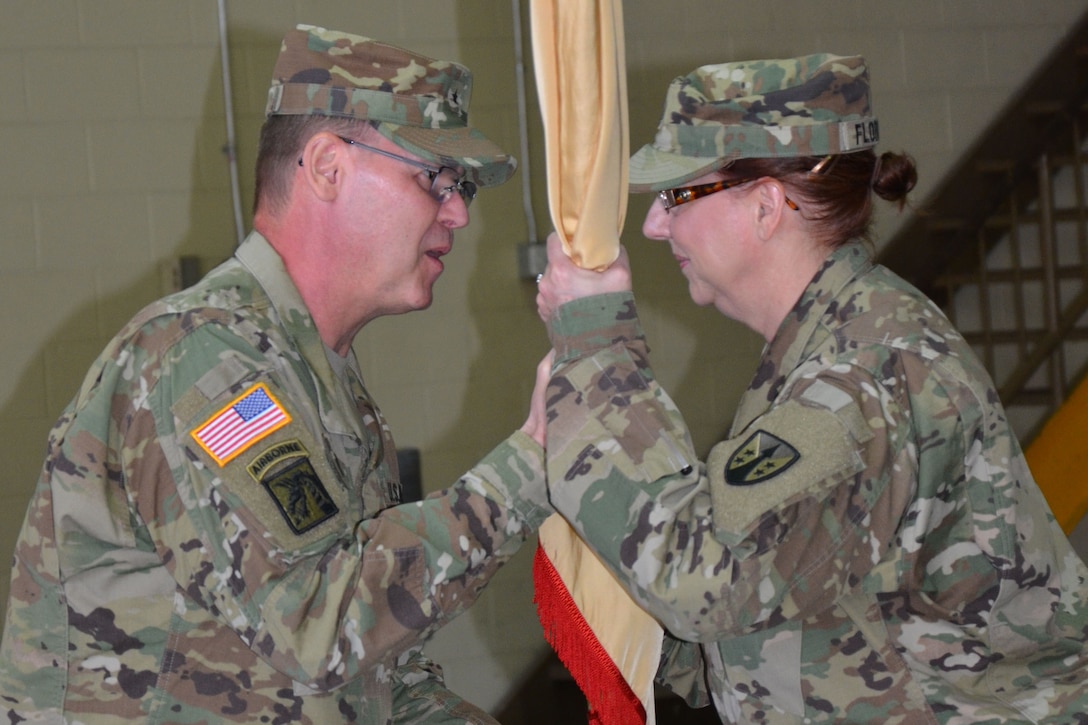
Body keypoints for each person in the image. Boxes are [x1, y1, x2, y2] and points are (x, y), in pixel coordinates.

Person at [0, 25, 553, 723]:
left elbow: (375, 680)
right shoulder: (202, 358)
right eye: (436, 178)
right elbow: (318, 623)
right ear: (326, 166)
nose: (460, 212)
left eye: (462, 186)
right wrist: (534, 462)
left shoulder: (319, 382)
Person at [534, 53, 1088, 722]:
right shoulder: (823, 351)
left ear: (767, 207)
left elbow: (709, 581)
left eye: (676, 194)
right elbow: (787, 615)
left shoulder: (868, 372)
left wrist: (600, 351)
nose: (654, 225)